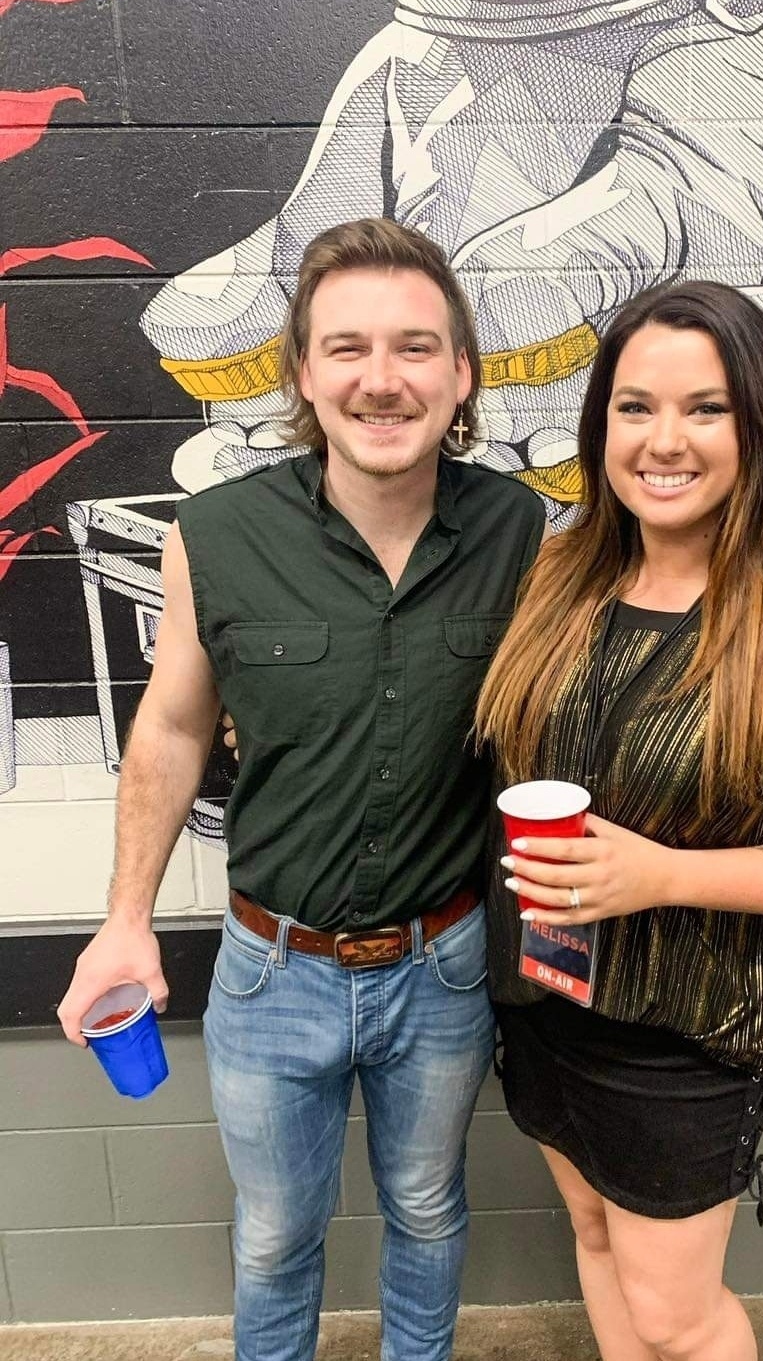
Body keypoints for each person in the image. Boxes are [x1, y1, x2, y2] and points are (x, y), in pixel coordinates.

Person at [57, 218, 548, 1361]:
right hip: (272, 970)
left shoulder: (517, 527)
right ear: (303, 373)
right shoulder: (217, 534)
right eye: (348, 347)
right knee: (276, 1235)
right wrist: (125, 917)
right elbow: (172, 727)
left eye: (415, 346)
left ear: (461, 372)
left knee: (427, 1207)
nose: (383, 378)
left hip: (443, 966)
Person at [474, 281, 763, 1361]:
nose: (663, 440)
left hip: (688, 1030)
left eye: (705, 408)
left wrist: (663, 874)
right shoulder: (561, 574)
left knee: (677, 1316)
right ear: (600, 423)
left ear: (759, 426)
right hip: (542, 1000)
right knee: (593, 1233)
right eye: (635, 406)